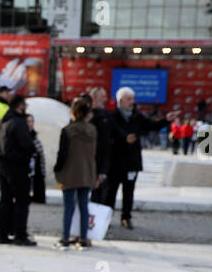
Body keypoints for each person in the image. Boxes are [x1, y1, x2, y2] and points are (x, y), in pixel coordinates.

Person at [99, 85, 171, 230]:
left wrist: (166, 120)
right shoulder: (111, 117)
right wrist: (123, 139)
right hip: (115, 163)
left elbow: (152, 126)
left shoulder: (137, 116)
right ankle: (106, 218)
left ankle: (126, 217)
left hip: (131, 162)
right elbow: (108, 137)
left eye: (132, 98)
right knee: (110, 192)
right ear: (120, 101)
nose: (132, 102)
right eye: (128, 99)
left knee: (129, 192)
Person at [54, 94, 104, 249]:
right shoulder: (92, 130)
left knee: (69, 207)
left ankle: (65, 236)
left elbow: (62, 154)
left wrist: (57, 169)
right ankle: (83, 237)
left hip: (70, 172)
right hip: (88, 171)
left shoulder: (68, 130)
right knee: (84, 207)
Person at [0, 93, 37, 246]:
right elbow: (27, 144)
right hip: (16, 166)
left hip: (0, 164)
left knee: (5, 200)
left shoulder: (2, 121)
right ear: (21, 106)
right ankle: (20, 235)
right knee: (22, 201)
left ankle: (2, 234)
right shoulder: (18, 122)